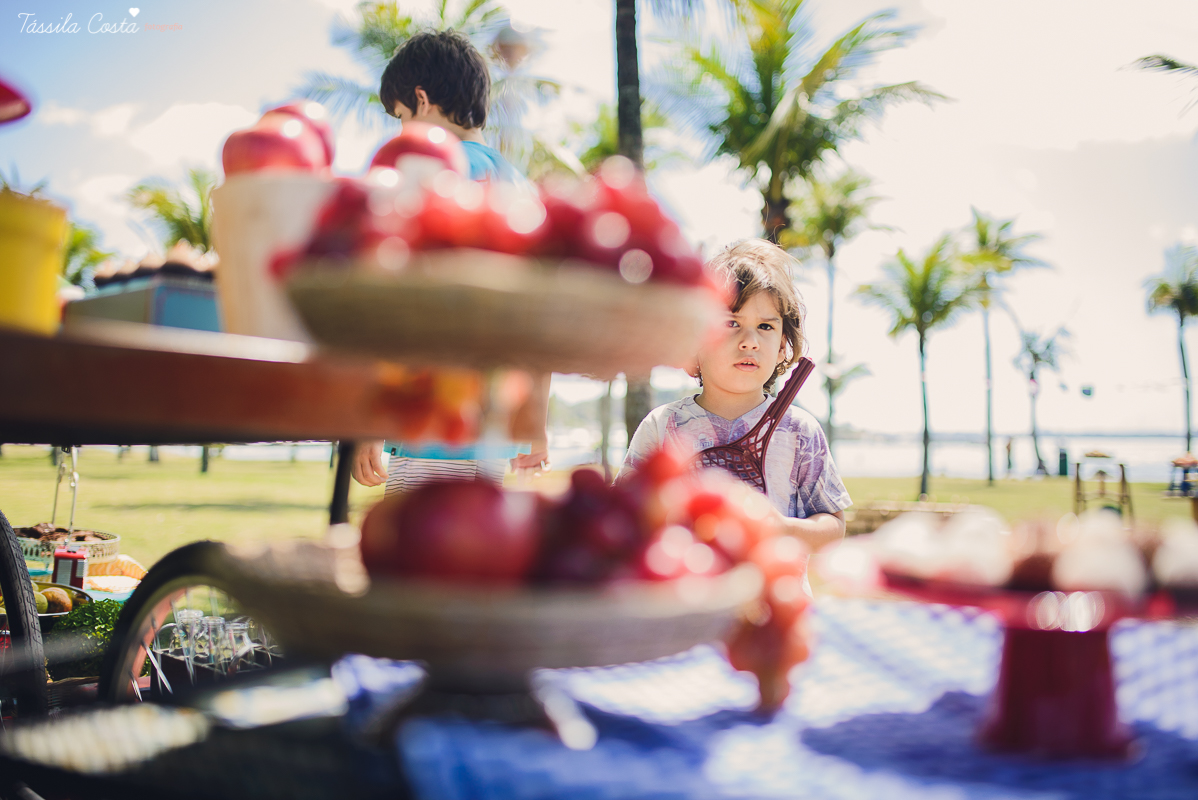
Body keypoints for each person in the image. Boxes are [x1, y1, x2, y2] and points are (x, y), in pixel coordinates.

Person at [352, 29, 548, 493]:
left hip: (429, 420)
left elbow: (396, 299)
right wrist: (535, 417)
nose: (401, 131)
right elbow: (535, 314)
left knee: (416, 554)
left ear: (421, 100)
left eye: (400, 117)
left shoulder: (433, 173)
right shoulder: (517, 185)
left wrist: (368, 418)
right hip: (493, 426)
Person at [619, 239, 850, 566]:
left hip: (774, 603)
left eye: (765, 326)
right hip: (687, 605)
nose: (750, 342)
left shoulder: (799, 430)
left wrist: (783, 528)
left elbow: (833, 526)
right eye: (731, 323)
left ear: (783, 345)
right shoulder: (662, 426)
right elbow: (627, 512)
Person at [378, 29, 523, 184]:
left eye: (401, 115)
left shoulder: (440, 170)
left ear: (422, 101)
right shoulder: (517, 178)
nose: (402, 127)